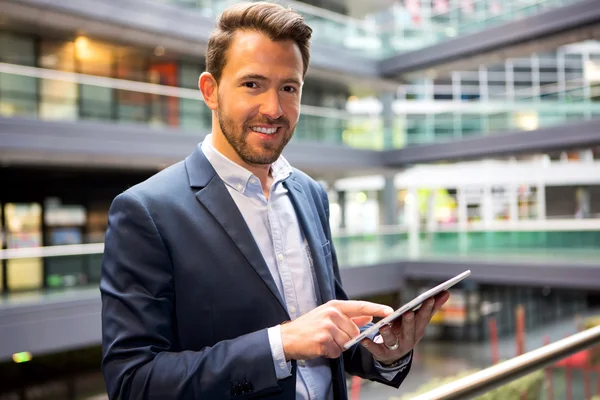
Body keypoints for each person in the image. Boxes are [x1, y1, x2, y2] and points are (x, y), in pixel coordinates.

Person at [100, 2, 449, 399]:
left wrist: (388, 352)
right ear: (210, 91)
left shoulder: (310, 193)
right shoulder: (146, 211)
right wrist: (278, 344)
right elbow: (132, 382)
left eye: (289, 88)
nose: (274, 108)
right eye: (253, 84)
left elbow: (327, 340)